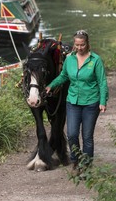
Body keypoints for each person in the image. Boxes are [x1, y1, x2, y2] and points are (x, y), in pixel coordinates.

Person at [45, 30, 109, 176]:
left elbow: (102, 82)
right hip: (73, 101)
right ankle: (76, 160)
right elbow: (63, 76)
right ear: (74, 44)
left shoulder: (95, 60)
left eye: (82, 45)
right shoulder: (70, 59)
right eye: (77, 44)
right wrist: (51, 85)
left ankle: (86, 166)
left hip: (91, 103)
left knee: (87, 137)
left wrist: (103, 101)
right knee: (72, 134)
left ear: (87, 44)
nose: (79, 48)